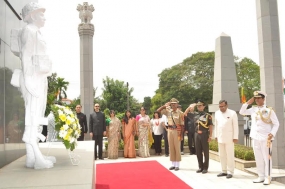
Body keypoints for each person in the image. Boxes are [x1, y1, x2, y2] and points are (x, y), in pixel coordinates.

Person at [14, 2, 55, 169]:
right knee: (32, 117)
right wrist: (29, 81)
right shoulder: (29, 31)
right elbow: (26, 56)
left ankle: (31, 158)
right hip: (33, 79)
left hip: (38, 78)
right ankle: (37, 159)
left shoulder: (36, 32)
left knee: (34, 117)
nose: (44, 17)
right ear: (31, 16)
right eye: (40, 14)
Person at [239, 91, 279, 185]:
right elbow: (241, 112)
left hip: (266, 138)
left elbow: (276, 123)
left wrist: (272, 133)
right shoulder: (253, 109)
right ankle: (260, 176)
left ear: (263, 99)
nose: (257, 100)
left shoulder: (269, 110)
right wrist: (247, 103)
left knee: (267, 158)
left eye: (259, 98)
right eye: (255, 98)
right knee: (258, 158)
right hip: (255, 137)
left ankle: (268, 177)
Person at [157, 98, 184, 171]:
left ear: (177, 104)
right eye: (172, 103)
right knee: (171, 147)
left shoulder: (180, 113)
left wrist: (181, 135)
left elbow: (182, 125)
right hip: (170, 130)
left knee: (177, 148)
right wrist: (164, 106)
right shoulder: (168, 111)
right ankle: (173, 164)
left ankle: (177, 165)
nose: (173, 105)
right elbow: (157, 111)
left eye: (175, 103)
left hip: (176, 131)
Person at [215, 100, 239, 179]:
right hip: (220, 137)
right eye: (220, 106)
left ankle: (230, 171)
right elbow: (216, 125)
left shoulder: (232, 113)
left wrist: (235, 137)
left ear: (226, 105)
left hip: (229, 137)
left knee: (230, 155)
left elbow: (235, 126)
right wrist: (216, 135)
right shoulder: (217, 113)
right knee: (221, 155)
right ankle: (224, 170)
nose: (221, 108)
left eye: (223, 106)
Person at [193, 100, 213, 174]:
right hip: (196, 135)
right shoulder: (195, 115)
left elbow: (210, 126)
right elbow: (185, 114)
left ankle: (205, 167)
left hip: (204, 134)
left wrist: (210, 136)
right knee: (198, 152)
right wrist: (192, 106)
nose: (199, 107)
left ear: (204, 106)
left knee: (205, 152)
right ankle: (200, 167)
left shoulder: (207, 115)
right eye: (198, 106)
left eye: (200, 105)